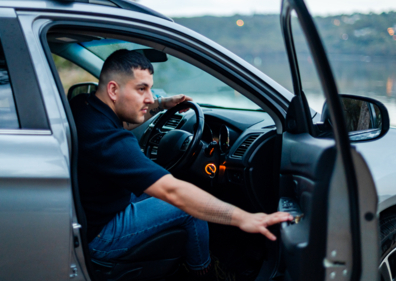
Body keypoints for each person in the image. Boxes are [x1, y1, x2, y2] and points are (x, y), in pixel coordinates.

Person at [70, 49, 293, 279]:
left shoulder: (85, 105)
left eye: (150, 88)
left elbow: (124, 123)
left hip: (94, 211)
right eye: (141, 89)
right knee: (188, 208)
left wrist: (163, 104)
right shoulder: (109, 140)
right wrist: (243, 218)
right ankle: (204, 271)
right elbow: (172, 191)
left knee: (182, 195)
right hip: (100, 235)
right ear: (113, 90)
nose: (149, 98)